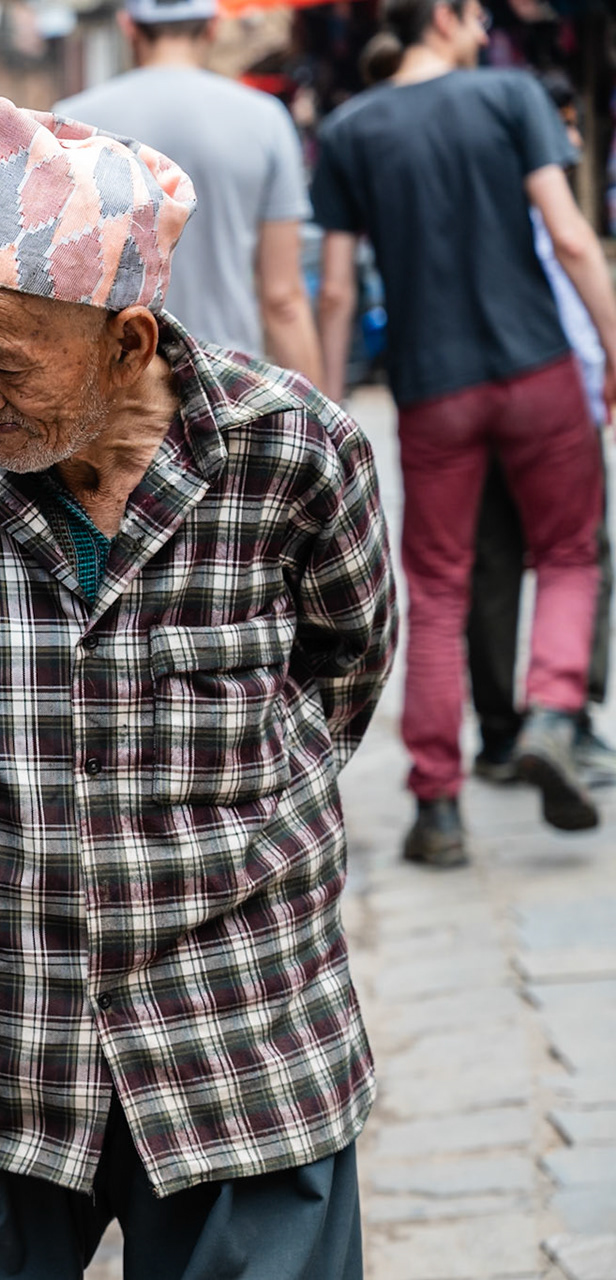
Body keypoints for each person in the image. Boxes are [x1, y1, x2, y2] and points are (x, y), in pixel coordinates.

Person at [0, 98, 394, 1278]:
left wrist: (212, 827)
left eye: (5, 362)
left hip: (237, 1013)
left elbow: (342, 675)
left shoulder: (292, 449)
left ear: (129, 343)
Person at [313, 0, 616, 865]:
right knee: (567, 554)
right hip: (539, 373)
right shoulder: (511, 96)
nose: (486, 26)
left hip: (431, 390)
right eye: (476, 12)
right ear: (441, 16)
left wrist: (330, 409)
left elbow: (335, 291)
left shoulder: (348, 129)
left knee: (438, 590)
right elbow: (569, 236)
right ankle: (554, 713)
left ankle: (438, 809)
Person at [467, 70, 616, 790]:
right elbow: (575, 267)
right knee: (578, 554)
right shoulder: (547, 210)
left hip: (469, 397)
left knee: (492, 561)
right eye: (566, 122)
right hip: (551, 396)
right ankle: (565, 719)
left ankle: (500, 735)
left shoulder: (477, 203)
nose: (576, 137)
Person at [56, 0, 322, 383]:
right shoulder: (266, 120)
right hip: (227, 379)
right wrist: (320, 420)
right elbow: (283, 299)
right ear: (212, 27)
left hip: (111, 382)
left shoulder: (71, 121)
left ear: (128, 27)